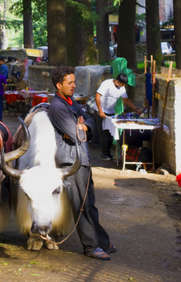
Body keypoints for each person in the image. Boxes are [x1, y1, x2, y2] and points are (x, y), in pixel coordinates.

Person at [48, 67, 114, 261]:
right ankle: (91, 247)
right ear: (59, 85)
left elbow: (91, 122)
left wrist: (84, 125)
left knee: (90, 204)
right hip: (71, 162)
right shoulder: (57, 107)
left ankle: (102, 241)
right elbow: (78, 135)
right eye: (70, 83)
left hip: (82, 159)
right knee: (81, 205)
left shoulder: (72, 102)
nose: (74, 85)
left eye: (74, 82)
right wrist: (82, 126)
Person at [95, 73, 142, 160]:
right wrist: (100, 111)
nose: (123, 86)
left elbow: (126, 100)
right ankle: (105, 154)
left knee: (110, 134)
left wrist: (135, 109)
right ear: (117, 81)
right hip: (101, 111)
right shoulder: (106, 84)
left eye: (124, 84)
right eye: (122, 84)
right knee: (104, 134)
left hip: (111, 112)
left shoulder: (122, 88)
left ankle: (108, 153)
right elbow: (97, 96)